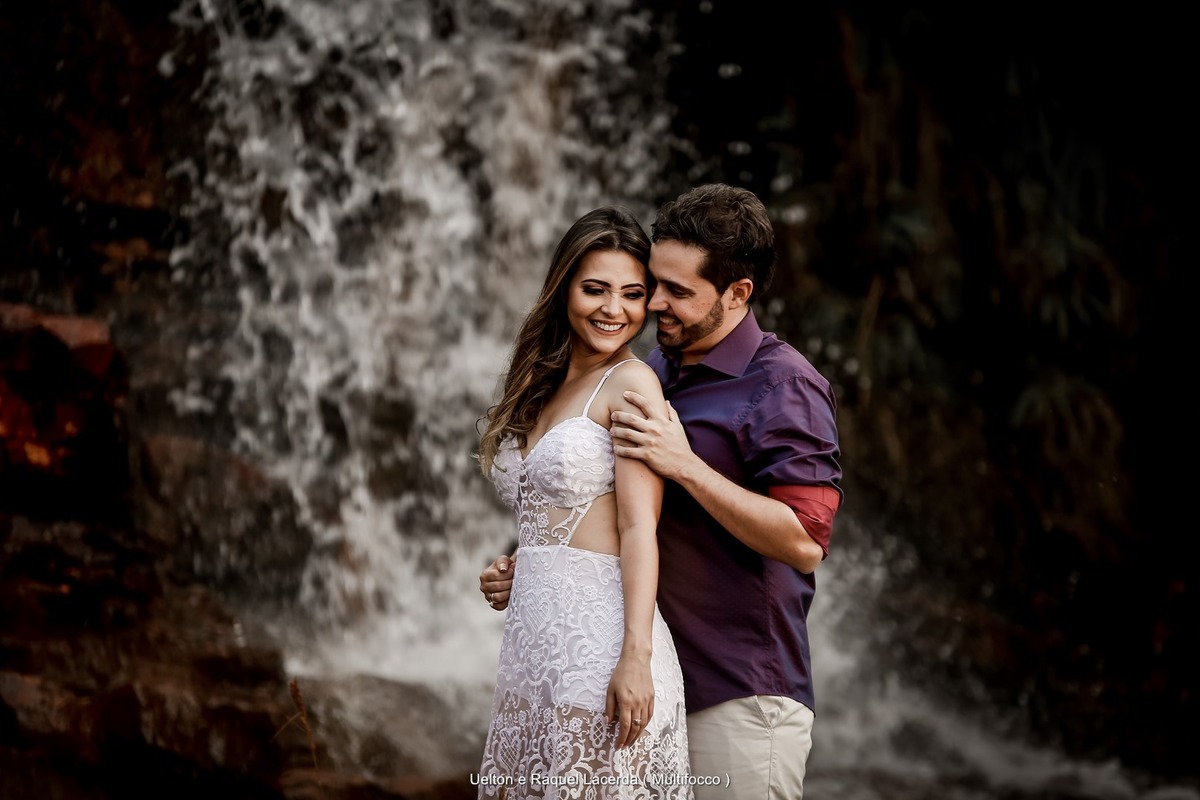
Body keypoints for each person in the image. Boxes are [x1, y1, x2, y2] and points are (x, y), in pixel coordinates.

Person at [482, 184, 842, 799]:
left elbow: (805, 541)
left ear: (738, 294)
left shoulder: (783, 385)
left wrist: (687, 466)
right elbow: (612, 508)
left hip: (740, 691)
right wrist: (542, 566)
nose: (654, 304)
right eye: (656, 283)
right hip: (634, 668)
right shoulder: (657, 369)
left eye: (678, 291)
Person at [475, 206, 693, 798]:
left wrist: (636, 660)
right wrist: (519, 569)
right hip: (532, 650)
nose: (612, 309)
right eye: (594, 289)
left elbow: (638, 530)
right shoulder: (543, 381)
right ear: (563, 286)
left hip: (598, 654)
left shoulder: (630, 384)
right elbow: (554, 525)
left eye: (631, 294)